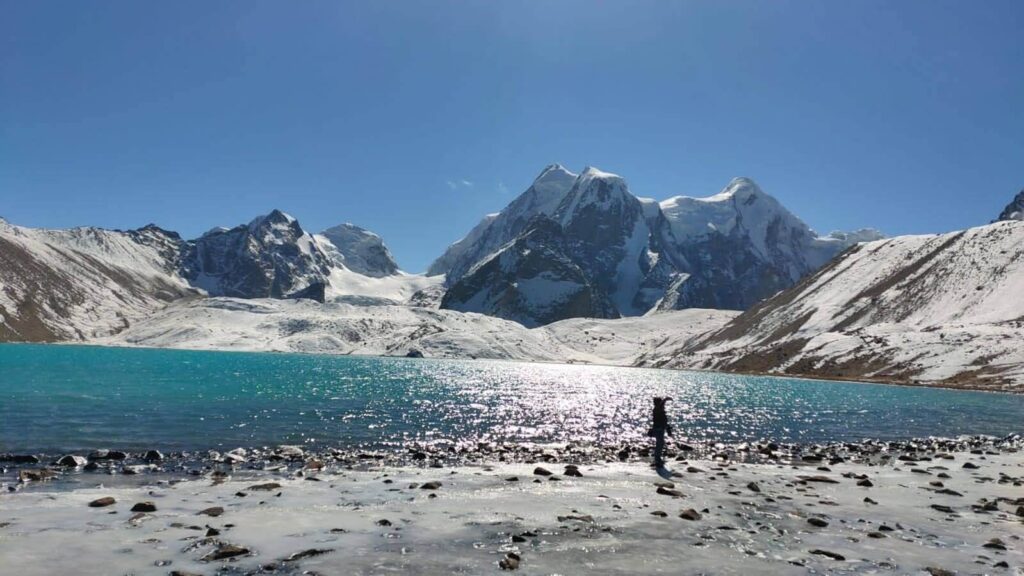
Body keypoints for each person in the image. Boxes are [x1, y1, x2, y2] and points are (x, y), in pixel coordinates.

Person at [650, 397, 673, 468]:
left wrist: (668, 430)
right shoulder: (657, 409)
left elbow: (664, 421)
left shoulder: (660, 410)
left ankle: (658, 459)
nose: (663, 406)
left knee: (661, 443)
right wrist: (665, 399)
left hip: (661, 429)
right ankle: (657, 460)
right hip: (658, 429)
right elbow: (660, 405)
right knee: (659, 444)